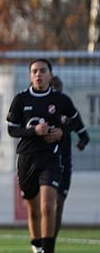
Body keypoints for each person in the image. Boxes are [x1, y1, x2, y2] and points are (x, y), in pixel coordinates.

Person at [6, 59, 87, 253]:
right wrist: (34, 132)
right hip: (27, 160)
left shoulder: (60, 100)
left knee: (48, 206)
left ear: (50, 75)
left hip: (51, 159)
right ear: (30, 76)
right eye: (34, 71)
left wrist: (62, 131)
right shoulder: (21, 99)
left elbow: (74, 120)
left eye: (43, 71)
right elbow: (12, 130)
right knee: (33, 210)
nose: (38, 75)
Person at [48, 76, 90, 240]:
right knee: (45, 206)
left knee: (58, 205)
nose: (56, 89)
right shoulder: (40, 108)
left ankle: (50, 246)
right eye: (53, 86)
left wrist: (82, 143)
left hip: (64, 164)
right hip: (45, 163)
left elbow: (84, 136)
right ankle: (42, 242)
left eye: (58, 86)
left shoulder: (69, 111)